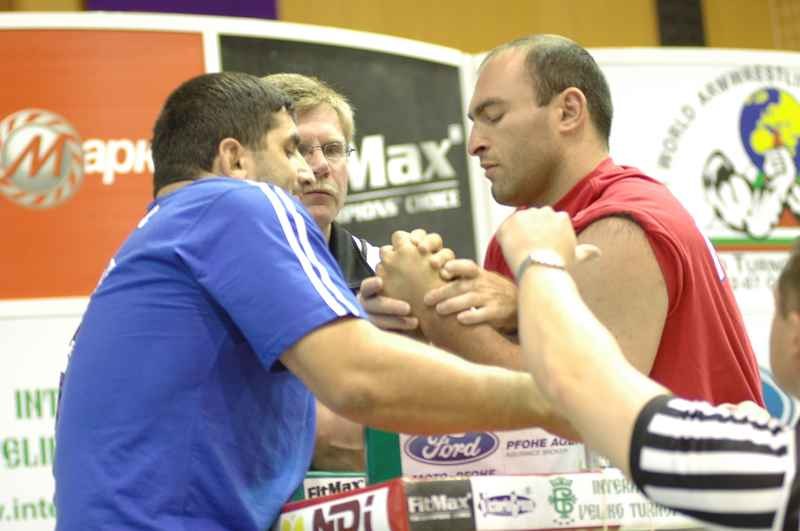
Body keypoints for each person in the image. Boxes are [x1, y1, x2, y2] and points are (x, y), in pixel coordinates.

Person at [53, 72, 560, 531]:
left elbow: (336, 419)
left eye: (327, 152)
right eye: (292, 150)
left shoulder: (159, 236)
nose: (306, 173)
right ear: (235, 159)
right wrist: (557, 402)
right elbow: (358, 381)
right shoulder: (235, 202)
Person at [376, 34, 763, 439]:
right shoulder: (524, 232)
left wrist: (434, 308)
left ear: (568, 111)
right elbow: (497, 421)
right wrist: (411, 330)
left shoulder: (625, 224)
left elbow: (585, 411)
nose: (474, 144)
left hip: (686, 499)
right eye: (474, 123)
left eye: (493, 116)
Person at [495, 205, 799, 530]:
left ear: (795, 333)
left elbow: (580, 383)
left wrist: (539, 262)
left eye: (775, 307)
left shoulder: (778, 469)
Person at [262, 72, 422, 471]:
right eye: (298, 149)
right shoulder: (226, 273)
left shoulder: (386, 268)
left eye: (333, 150)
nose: (319, 167)